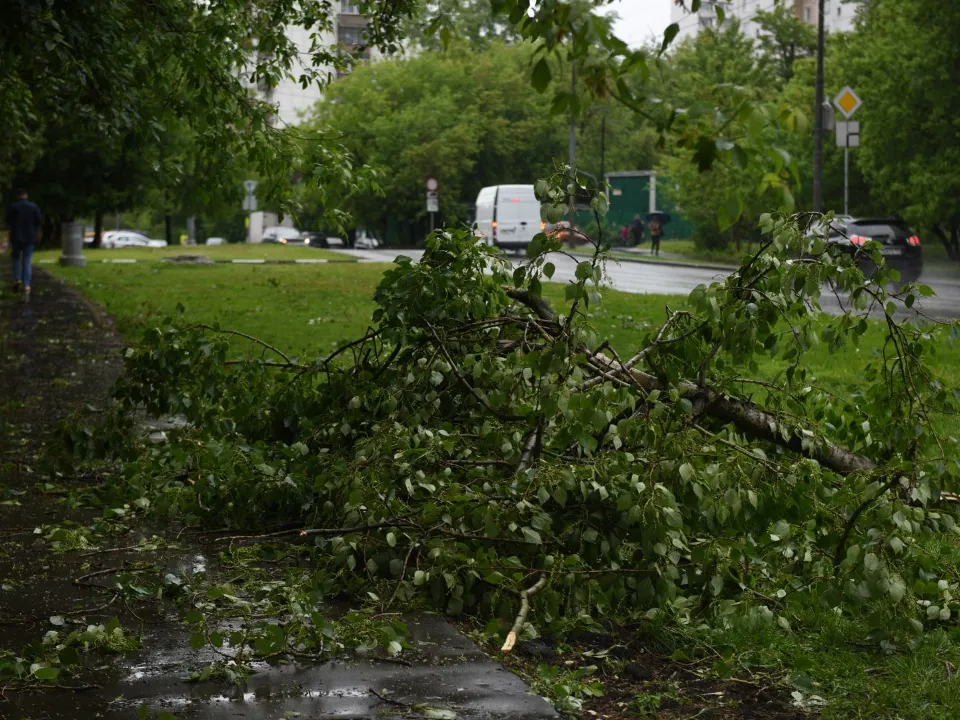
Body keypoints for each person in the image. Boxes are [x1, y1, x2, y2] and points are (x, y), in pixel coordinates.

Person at [6, 189, 41, 297]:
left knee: (16, 259)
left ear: (17, 196)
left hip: (16, 237)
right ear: (26, 195)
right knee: (27, 260)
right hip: (30, 238)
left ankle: (17, 279)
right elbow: (39, 222)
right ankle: (26, 285)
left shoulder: (13, 207)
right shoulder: (34, 207)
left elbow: (8, 221)